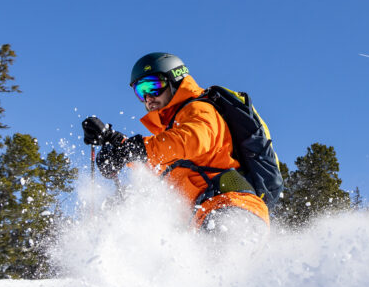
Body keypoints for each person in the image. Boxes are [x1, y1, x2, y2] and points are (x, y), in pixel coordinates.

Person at [82, 52, 270, 235]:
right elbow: (156, 161)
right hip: (207, 219)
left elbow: (192, 140)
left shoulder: (200, 108)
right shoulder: (170, 134)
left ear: (175, 80)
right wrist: (115, 142)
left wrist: (134, 149)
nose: (148, 97)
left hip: (233, 209)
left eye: (153, 86)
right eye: (141, 91)